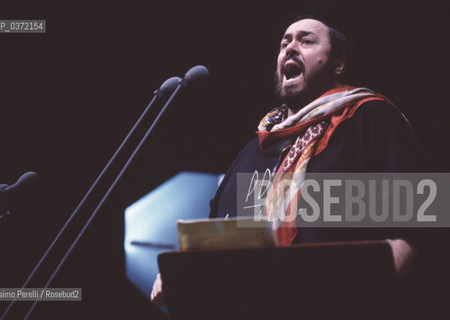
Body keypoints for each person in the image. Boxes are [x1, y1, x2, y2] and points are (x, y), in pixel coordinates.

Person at [151, 16, 421, 307]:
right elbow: (215, 243)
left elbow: (416, 225)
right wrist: (176, 272)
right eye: (285, 42)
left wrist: (366, 299)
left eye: (306, 41)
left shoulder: (370, 119)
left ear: (338, 64)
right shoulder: (254, 148)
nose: (291, 47)